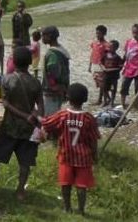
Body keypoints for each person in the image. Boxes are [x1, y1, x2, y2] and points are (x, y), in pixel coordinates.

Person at [0, 46, 43, 200]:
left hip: (9, 127)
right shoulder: (36, 83)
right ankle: (20, 191)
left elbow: (5, 103)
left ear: (14, 62)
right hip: (28, 129)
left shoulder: (6, 79)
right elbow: (41, 107)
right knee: (25, 163)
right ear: (30, 62)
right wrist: (31, 116)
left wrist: (23, 116)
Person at [41, 83, 99, 215]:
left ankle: (67, 208)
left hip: (66, 155)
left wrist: (44, 132)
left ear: (67, 97)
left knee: (65, 183)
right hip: (84, 158)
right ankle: (81, 210)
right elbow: (93, 140)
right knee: (81, 186)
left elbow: (47, 123)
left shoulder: (62, 115)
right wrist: (95, 155)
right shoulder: (89, 118)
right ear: (85, 99)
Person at [41, 26, 71, 115]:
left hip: (53, 91)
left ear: (49, 36)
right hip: (61, 88)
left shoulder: (52, 54)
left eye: (43, 36)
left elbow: (51, 71)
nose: (42, 38)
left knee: (50, 115)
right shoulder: (61, 50)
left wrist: (53, 86)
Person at [120, 23, 138, 109]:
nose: (135, 34)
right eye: (133, 32)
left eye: (137, 33)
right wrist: (122, 65)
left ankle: (136, 104)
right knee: (124, 86)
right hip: (128, 69)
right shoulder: (129, 42)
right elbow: (126, 54)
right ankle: (123, 103)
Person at [88, 25, 111, 105]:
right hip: (95, 64)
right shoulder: (94, 43)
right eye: (97, 33)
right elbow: (92, 53)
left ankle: (105, 99)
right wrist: (90, 65)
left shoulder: (106, 45)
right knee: (98, 83)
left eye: (99, 33)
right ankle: (103, 99)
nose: (98, 35)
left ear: (104, 34)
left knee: (102, 84)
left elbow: (108, 56)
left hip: (102, 66)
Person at [101, 40, 124, 107]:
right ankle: (105, 101)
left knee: (113, 89)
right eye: (109, 47)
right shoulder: (105, 55)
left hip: (114, 76)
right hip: (106, 75)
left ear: (116, 48)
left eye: (111, 47)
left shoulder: (117, 57)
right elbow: (100, 62)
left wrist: (110, 70)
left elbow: (120, 68)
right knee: (104, 88)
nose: (109, 48)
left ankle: (112, 102)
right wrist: (103, 68)